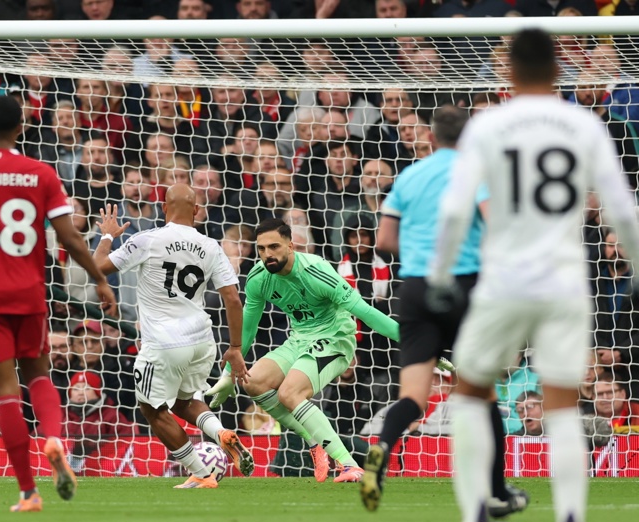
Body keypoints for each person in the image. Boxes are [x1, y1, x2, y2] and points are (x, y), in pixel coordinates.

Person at [426, 29, 639, 522]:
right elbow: (623, 211)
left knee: (471, 391)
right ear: (559, 69)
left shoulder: (489, 125)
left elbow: (456, 210)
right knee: (564, 403)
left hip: (503, 278)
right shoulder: (583, 124)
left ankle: (477, 509)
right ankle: (569, 515)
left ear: (509, 71)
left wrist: (440, 276)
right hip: (565, 280)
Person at [0, 96, 116, 512]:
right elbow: (69, 238)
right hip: (29, 294)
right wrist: (100, 279)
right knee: (38, 375)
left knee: (5, 393)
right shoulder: (40, 173)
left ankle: (28, 493)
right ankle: (53, 436)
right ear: (22, 128)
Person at [361, 106, 528, 516]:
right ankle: (497, 491)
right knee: (483, 393)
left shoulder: (409, 176)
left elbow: (383, 240)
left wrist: (420, 253)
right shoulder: (477, 172)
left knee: (414, 396)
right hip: (464, 284)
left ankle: (382, 448)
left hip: (416, 288)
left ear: (432, 137)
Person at [207, 218, 400, 483]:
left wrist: (416, 345)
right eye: (261, 249)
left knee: (290, 392)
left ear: (291, 245)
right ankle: (314, 440)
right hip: (299, 340)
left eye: (274, 246)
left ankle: (349, 464)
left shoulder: (317, 271)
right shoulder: (258, 278)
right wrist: (228, 374)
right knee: (254, 382)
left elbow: (366, 312)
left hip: (335, 338)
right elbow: (247, 332)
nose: (267, 254)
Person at [93, 184, 254, 489]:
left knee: (153, 410)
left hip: (164, 344)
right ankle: (220, 433)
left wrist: (107, 236)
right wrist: (234, 348)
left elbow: (98, 267)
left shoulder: (148, 240)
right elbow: (233, 299)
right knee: (183, 402)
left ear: (164, 208)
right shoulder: (211, 246)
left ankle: (202, 473)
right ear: (196, 211)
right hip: (202, 342)